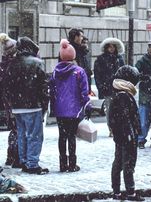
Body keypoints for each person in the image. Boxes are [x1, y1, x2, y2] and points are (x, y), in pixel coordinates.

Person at [3, 37, 50, 175]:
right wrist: (44, 104)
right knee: (34, 135)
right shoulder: (36, 63)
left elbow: (6, 86)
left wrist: (11, 103)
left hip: (17, 106)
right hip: (33, 105)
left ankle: (23, 161)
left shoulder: (13, 63)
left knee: (22, 134)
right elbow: (43, 86)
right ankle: (32, 164)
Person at [49, 39, 92, 172]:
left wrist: (53, 106)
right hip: (74, 110)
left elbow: (52, 90)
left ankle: (63, 163)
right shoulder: (79, 71)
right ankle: (72, 163)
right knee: (71, 136)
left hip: (60, 110)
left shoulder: (56, 72)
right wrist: (87, 105)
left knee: (62, 136)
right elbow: (84, 91)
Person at [108, 65, 144, 201]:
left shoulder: (118, 94)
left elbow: (115, 119)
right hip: (127, 136)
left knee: (119, 163)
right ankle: (130, 193)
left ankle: (116, 192)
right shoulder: (124, 96)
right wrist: (130, 135)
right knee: (127, 164)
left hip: (121, 136)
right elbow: (125, 118)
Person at [94, 37, 125, 137]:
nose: (111, 49)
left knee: (119, 110)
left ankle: (118, 127)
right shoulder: (101, 59)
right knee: (110, 110)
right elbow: (98, 74)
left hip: (118, 87)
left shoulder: (119, 59)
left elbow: (124, 72)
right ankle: (111, 128)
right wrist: (101, 87)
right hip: (108, 88)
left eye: (113, 47)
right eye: (109, 47)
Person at [0, 33, 21, 168]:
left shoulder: (3, 65)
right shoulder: (13, 65)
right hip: (14, 101)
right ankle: (15, 156)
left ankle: (10, 156)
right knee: (17, 129)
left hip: (7, 101)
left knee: (14, 129)